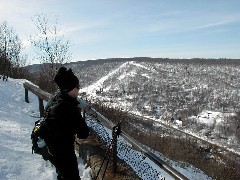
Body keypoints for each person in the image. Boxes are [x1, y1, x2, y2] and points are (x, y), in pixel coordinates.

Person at [42, 67, 89, 180]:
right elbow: (84, 133)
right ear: (68, 89)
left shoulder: (55, 99)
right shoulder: (68, 108)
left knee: (62, 174)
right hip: (63, 151)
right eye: (76, 87)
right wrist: (78, 113)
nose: (79, 89)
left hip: (51, 147)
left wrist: (76, 103)